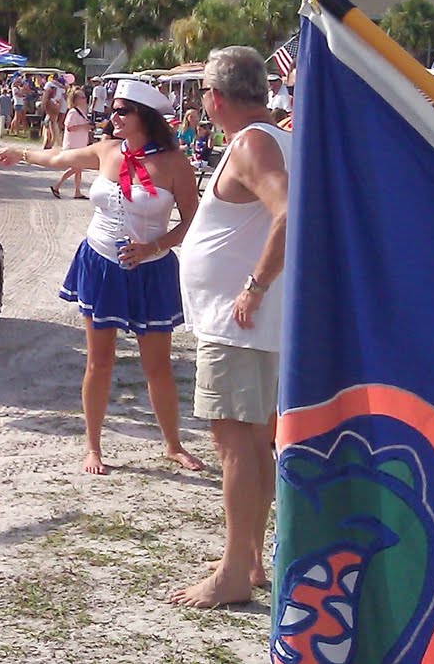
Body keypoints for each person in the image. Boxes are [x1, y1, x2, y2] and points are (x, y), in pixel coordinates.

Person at [0, 79, 204, 476]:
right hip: (101, 262)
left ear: (143, 117)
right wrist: (21, 153)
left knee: (157, 366)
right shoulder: (107, 149)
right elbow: (59, 158)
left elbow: (193, 223)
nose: (113, 116)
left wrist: (154, 247)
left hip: (150, 270)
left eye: (121, 110)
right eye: (114, 109)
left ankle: (173, 444)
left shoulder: (176, 164)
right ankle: (92, 447)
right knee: (100, 361)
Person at [170, 46, 291, 609]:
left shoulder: (252, 143)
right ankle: (249, 559)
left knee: (235, 442)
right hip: (247, 324)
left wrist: (255, 285)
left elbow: (287, 211)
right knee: (252, 441)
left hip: (239, 323)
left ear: (214, 98)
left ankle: (234, 572)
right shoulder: (269, 138)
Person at [52, 87, 93, 199]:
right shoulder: (73, 112)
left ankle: (77, 191)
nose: (85, 99)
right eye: (82, 97)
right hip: (73, 144)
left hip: (80, 144)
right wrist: (84, 126)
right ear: (76, 100)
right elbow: (69, 127)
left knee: (78, 169)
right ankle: (57, 185)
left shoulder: (81, 112)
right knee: (77, 167)